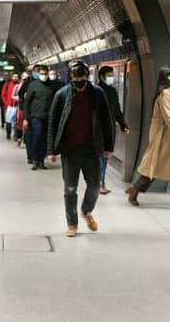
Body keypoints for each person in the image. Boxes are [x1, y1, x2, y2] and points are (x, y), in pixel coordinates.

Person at [47, 60, 114, 237]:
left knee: (94, 185)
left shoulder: (97, 94)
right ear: (70, 77)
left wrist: (109, 147)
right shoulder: (61, 95)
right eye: (75, 78)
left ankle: (86, 210)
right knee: (70, 189)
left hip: (92, 149)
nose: (78, 81)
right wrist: (51, 150)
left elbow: (106, 122)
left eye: (82, 77)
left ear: (87, 76)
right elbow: (53, 123)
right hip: (70, 150)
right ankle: (72, 224)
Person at [125, 66, 170, 210]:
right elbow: (168, 117)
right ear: (168, 76)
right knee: (155, 168)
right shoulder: (165, 94)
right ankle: (135, 190)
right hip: (165, 137)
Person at [97, 66, 130, 194]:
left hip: (110, 129)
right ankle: (99, 182)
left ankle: (101, 182)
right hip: (97, 129)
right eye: (109, 75)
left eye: (112, 75)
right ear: (102, 76)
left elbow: (117, 111)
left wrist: (123, 125)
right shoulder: (95, 91)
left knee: (105, 155)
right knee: (99, 155)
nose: (112, 77)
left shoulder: (112, 91)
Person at [23, 65, 55, 170]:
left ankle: (41, 160)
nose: (44, 76)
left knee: (44, 139)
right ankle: (35, 159)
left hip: (48, 117)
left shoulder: (51, 86)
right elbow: (27, 102)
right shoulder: (33, 85)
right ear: (38, 74)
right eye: (42, 74)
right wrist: (25, 118)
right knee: (37, 136)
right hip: (35, 116)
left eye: (45, 74)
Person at [1, 72, 20, 140]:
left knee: (15, 121)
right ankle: (8, 133)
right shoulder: (7, 85)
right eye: (14, 77)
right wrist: (6, 103)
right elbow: (3, 95)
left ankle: (15, 135)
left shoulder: (20, 85)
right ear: (12, 77)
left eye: (17, 77)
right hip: (8, 107)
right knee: (8, 121)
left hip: (17, 107)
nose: (15, 78)